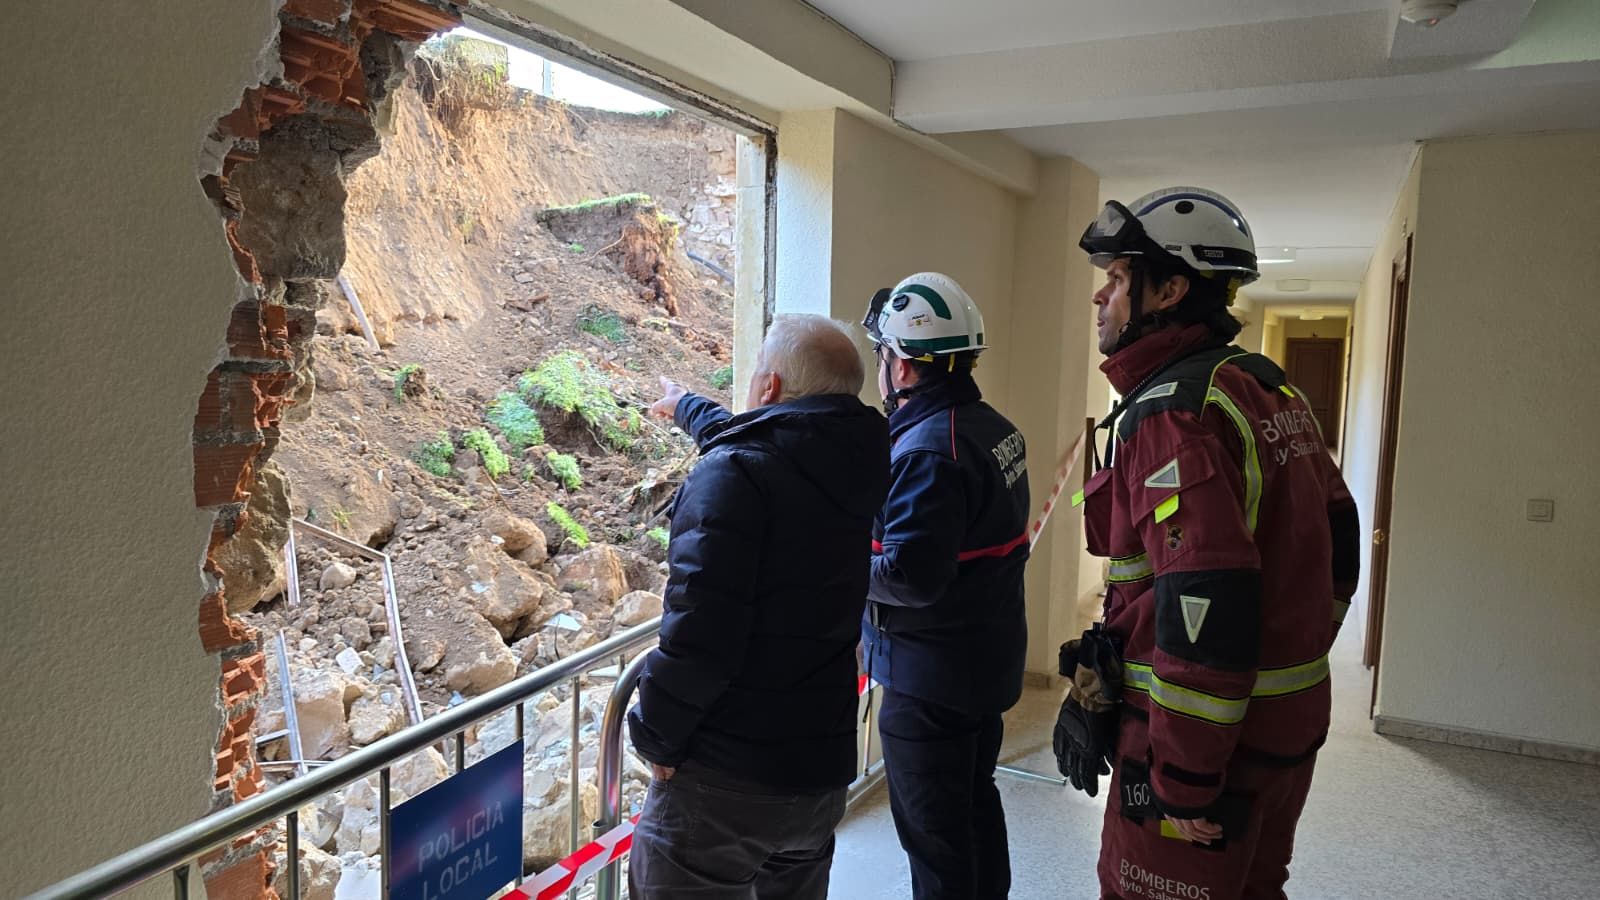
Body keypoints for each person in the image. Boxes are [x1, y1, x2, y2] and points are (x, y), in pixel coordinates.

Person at [1055, 186, 1361, 900]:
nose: (1102, 296)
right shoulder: (1266, 387)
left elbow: (1205, 601)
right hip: (1284, 725)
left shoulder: (1173, 415)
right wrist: (1292, 645)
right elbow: (1339, 537)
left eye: (1120, 278)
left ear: (1170, 289)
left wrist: (1185, 779)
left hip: (1212, 746)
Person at [626, 314, 890, 900]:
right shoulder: (860, 461)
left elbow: (700, 634)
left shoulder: (735, 475)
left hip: (725, 784)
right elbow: (762, 440)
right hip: (816, 779)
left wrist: (653, 736)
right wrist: (685, 405)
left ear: (768, 388)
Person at [860, 272, 1031, 900]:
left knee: (935, 844)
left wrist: (832, 567)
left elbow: (910, 575)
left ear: (903, 367)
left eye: (883, 353)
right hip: (979, 664)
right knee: (973, 808)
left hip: (931, 679)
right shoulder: (991, 427)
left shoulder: (929, 452)